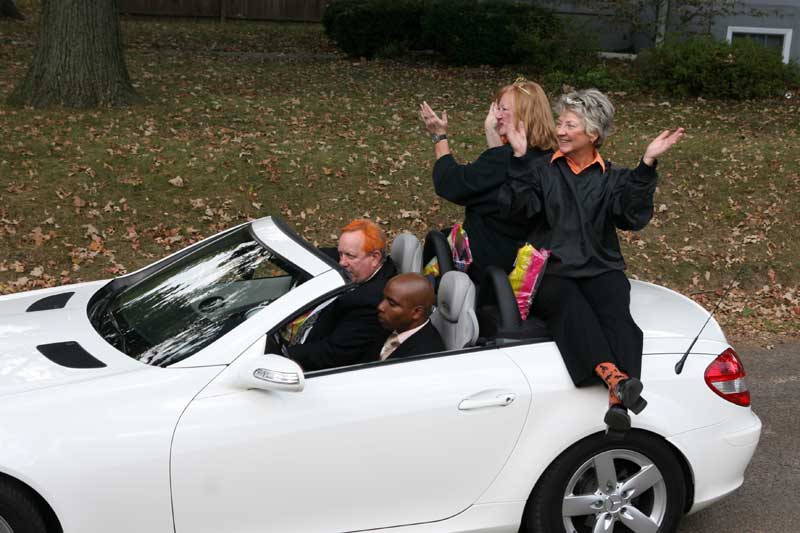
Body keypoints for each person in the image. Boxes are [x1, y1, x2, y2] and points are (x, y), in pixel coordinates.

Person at [498, 88, 684, 436]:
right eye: (560, 123)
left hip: (601, 266)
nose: (560, 131)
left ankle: (618, 402)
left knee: (619, 314)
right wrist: (521, 159)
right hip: (553, 271)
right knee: (571, 306)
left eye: (570, 125)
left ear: (593, 134)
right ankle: (615, 379)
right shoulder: (541, 170)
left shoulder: (613, 178)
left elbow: (630, 215)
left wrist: (647, 164)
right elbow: (519, 209)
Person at [419, 78, 558, 284]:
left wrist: (439, 137)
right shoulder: (550, 157)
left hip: (483, 266)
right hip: (522, 262)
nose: (497, 115)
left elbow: (450, 183)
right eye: (497, 108)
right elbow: (499, 179)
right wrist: (492, 133)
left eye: (504, 109)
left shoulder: (503, 160)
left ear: (525, 115)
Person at [287, 219, 397, 372]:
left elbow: (333, 353)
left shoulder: (374, 303)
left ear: (375, 258)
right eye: (340, 253)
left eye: (350, 256)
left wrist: (285, 355)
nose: (342, 262)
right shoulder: (361, 268)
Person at [369, 273, 445, 361]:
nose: (380, 306)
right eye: (384, 298)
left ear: (417, 313)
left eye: (392, 304)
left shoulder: (422, 357)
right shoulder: (393, 325)